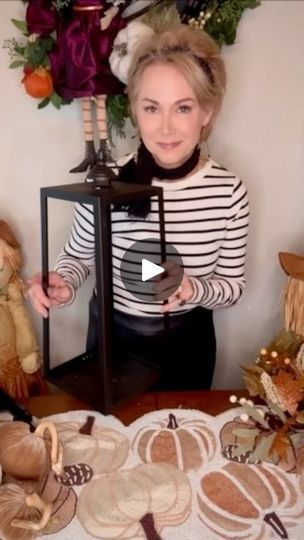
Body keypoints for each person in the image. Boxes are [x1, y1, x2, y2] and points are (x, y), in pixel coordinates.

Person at [28, 24, 249, 390]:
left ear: (206, 112)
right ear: (135, 110)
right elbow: (80, 257)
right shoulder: (105, 182)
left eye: (183, 108)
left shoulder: (228, 193)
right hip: (114, 342)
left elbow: (232, 287)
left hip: (186, 346)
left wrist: (193, 290)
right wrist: (62, 282)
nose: (165, 128)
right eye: (151, 108)